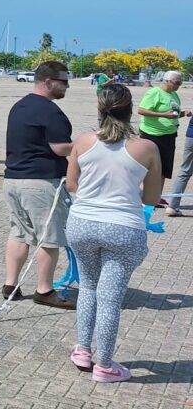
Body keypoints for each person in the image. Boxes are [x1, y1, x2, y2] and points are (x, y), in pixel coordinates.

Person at [64, 84, 163, 383]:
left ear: (100, 108)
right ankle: (105, 364)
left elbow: (72, 184)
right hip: (123, 227)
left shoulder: (82, 140)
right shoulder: (147, 147)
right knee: (109, 297)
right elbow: (151, 198)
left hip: (82, 223)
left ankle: (83, 349)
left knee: (89, 287)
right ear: (131, 109)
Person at [1, 61, 76, 309]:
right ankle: (44, 290)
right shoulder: (49, 111)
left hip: (13, 180)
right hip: (40, 183)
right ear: (48, 82)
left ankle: (10, 284)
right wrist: (85, 146)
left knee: (19, 233)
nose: (67, 86)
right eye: (63, 81)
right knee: (50, 237)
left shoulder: (18, 106)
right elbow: (59, 147)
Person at [137, 71, 191, 201]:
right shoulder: (154, 92)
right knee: (150, 167)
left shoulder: (174, 95)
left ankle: (157, 196)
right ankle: (146, 195)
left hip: (169, 135)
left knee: (164, 168)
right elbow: (141, 110)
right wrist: (163, 115)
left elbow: (173, 113)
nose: (178, 85)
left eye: (180, 83)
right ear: (166, 81)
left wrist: (184, 113)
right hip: (152, 134)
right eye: (176, 83)